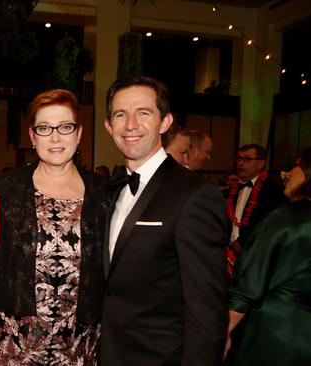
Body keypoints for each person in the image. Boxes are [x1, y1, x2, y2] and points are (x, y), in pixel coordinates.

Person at [101, 76, 228, 365]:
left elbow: (207, 311)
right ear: (109, 127)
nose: (131, 124)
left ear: (166, 122)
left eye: (143, 113)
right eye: (121, 115)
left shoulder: (195, 195)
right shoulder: (110, 190)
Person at [0, 89, 108, 365]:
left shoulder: (104, 195)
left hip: (81, 346)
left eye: (65, 127)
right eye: (44, 128)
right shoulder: (4, 191)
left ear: (79, 133)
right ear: (32, 136)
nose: (55, 137)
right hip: (16, 346)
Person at [226, 147, 311, 366]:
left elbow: (248, 285)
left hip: (276, 332)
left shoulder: (287, 218)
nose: (288, 173)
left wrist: (222, 332)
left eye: (297, 165)